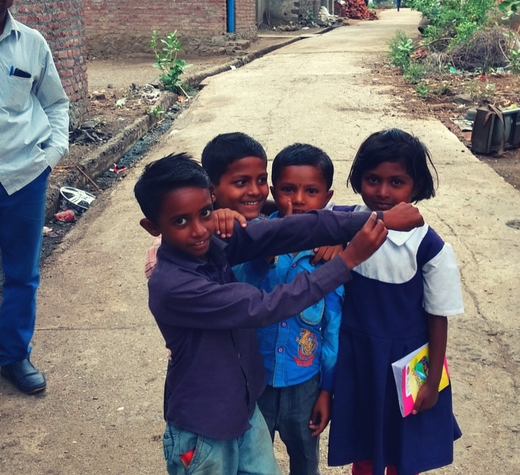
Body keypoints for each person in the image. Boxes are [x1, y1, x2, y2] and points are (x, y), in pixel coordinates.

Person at [137, 152, 425, 474]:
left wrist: (377, 219)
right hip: (203, 427)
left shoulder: (211, 246)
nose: (199, 229)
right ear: (152, 227)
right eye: (180, 221)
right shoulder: (174, 286)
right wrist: (347, 261)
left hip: (244, 410)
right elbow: (263, 305)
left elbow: (287, 231)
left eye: (205, 213)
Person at [327, 129, 463, 475]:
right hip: (358, 359)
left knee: (404, 451)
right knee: (364, 444)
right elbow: (300, 215)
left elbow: (438, 317)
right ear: (358, 179)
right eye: (373, 179)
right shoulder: (345, 225)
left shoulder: (430, 248)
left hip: (404, 365)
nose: (383, 191)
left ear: (415, 186)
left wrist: (432, 381)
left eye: (396, 182)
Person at [236, 143, 344, 475]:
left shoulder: (330, 253)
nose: (297, 199)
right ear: (273, 190)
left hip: (305, 385)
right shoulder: (255, 238)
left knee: (306, 462)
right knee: (252, 463)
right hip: (257, 384)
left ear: (327, 197)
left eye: (310, 191)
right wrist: (264, 251)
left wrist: (327, 391)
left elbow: (333, 330)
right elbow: (240, 287)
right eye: (287, 189)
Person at [0, 0, 70, 395]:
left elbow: (57, 104)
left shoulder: (32, 44)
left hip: (23, 178)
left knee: (22, 274)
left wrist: (53, 153)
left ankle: (13, 357)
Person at [144, 132, 270, 279]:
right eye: (241, 182)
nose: (255, 191)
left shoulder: (266, 217)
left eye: (262, 180)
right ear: (211, 189)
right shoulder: (184, 242)